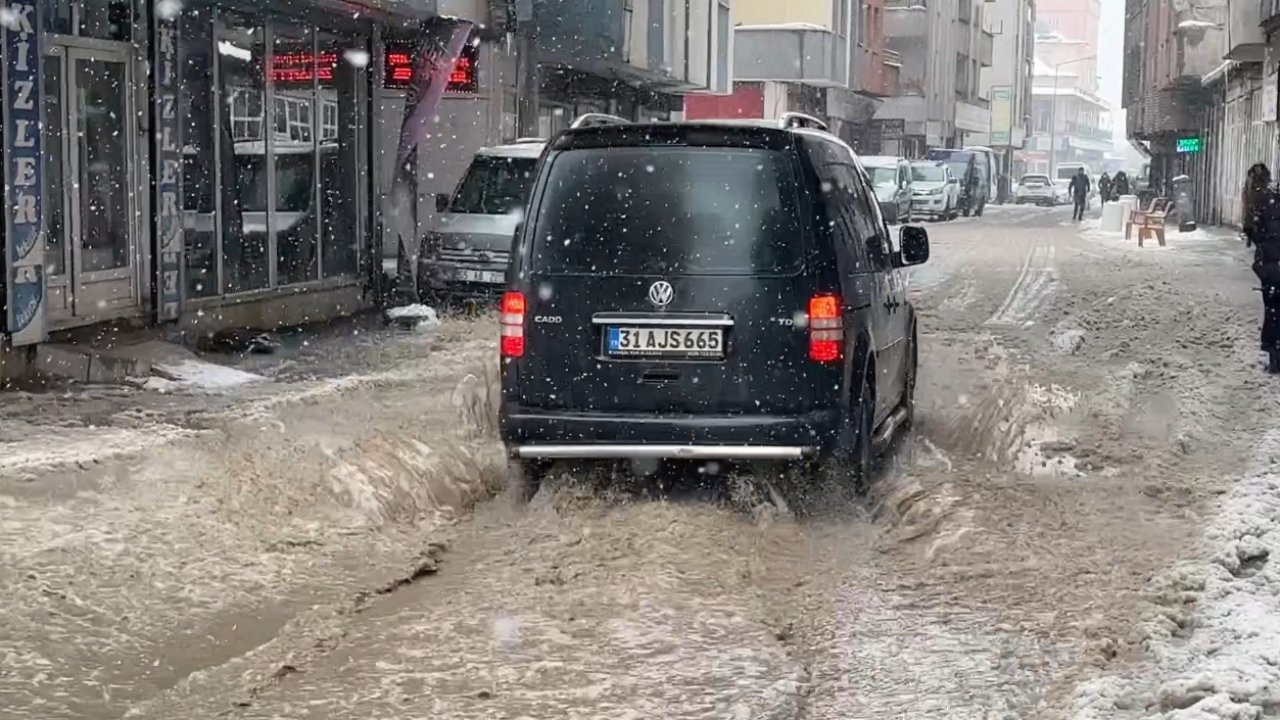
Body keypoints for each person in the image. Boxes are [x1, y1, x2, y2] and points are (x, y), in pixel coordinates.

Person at [1244, 163, 1280, 373]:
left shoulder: (1258, 200)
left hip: (1271, 263)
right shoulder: (1272, 196)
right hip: (1273, 260)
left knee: (1273, 308)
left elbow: (1252, 231)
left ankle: (1275, 357)